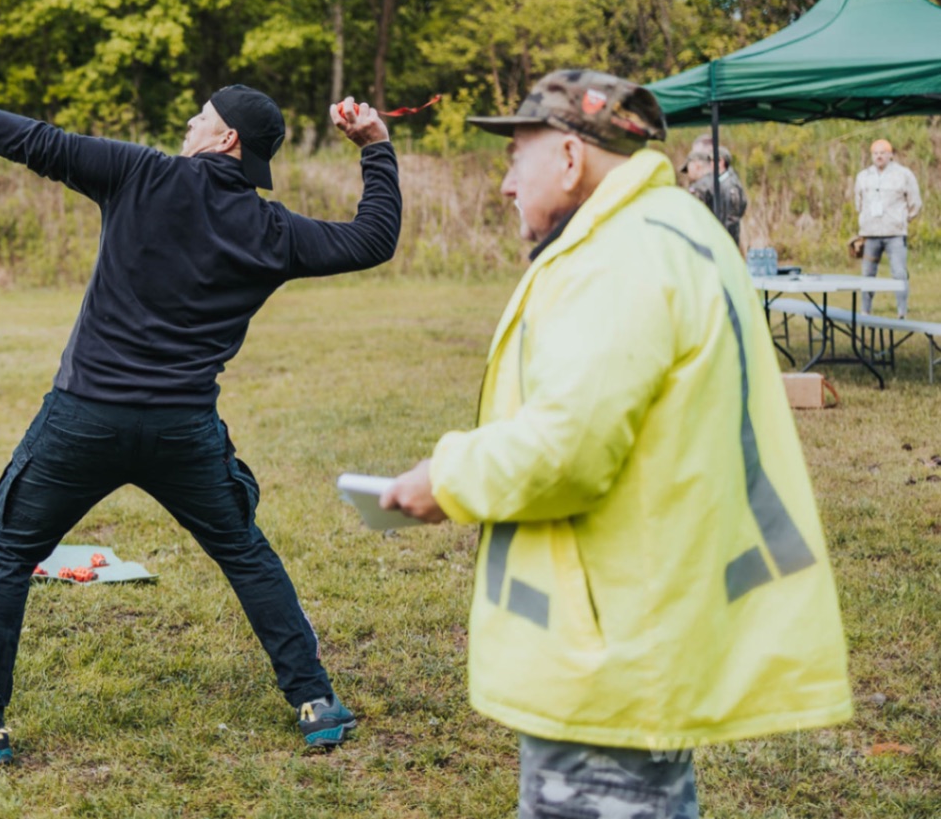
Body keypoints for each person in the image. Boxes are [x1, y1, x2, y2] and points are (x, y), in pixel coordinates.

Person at [0, 80, 402, 765]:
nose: (189, 120)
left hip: (82, 419)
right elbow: (373, 238)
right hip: (182, 430)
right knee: (244, 552)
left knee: (7, 551)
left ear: (226, 138)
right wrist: (376, 148)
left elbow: (32, 139)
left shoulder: (140, 173)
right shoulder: (272, 231)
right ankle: (317, 703)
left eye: (201, 116)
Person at [379, 69, 852, 818]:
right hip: (644, 623)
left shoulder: (622, 254)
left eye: (516, 158)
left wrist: (446, 474)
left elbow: (568, 447)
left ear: (570, 158)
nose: (505, 186)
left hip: (609, 648)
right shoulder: (675, 229)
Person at [855, 138, 922, 318]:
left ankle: (902, 311)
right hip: (870, 233)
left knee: (899, 273)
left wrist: (903, 219)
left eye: (882, 152)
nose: (879, 156)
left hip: (895, 233)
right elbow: (858, 202)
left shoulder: (903, 174)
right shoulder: (863, 176)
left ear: (890, 154)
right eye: (875, 153)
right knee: (867, 273)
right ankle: (865, 311)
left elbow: (915, 202)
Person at [685, 141, 747, 245]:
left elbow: (732, 217)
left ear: (721, 162)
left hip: (726, 239)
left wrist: (723, 240)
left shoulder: (730, 186)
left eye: (712, 160)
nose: (710, 164)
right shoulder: (717, 182)